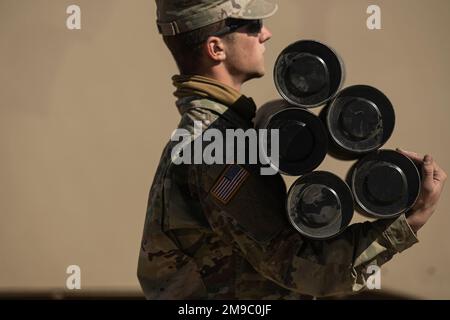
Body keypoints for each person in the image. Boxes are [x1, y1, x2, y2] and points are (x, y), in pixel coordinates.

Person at [137, 0, 447, 299]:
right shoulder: (216, 145)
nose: (266, 33)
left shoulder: (220, 134)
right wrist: (411, 219)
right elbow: (307, 269)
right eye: (253, 25)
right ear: (216, 48)